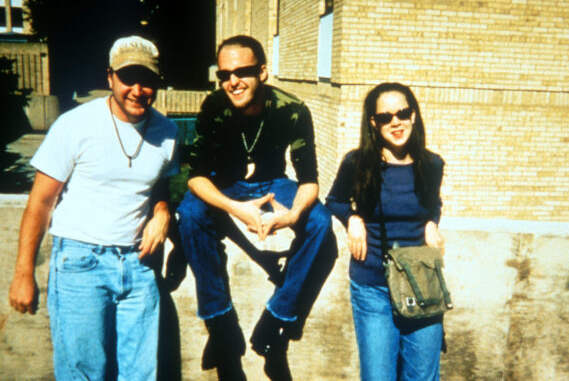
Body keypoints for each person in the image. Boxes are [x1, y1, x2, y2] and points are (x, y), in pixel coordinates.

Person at [8, 36, 179, 380]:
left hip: (139, 266)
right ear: (110, 78)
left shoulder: (168, 132)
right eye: (128, 78)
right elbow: (40, 203)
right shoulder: (75, 125)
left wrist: (161, 213)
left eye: (147, 80)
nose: (137, 89)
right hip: (80, 265)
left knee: (141, 374)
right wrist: (23, 274)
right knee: (83, 374)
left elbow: (159, 184)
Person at [177, 34, 337, 380]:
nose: (232, 81)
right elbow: (195, 178)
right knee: (189, 214)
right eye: (224, 74)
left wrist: (292, 215)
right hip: (226, 184)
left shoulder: (291, 110)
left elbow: (310, 180)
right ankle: (221, 324)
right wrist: (237, 208)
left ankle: (276, 318)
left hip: (272, 183)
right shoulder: (212, 107)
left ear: (262, 71)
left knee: (320, 223)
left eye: (243, 71)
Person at [325, 82, 446, 381]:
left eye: (403, 113)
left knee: (422, 378)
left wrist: (432, 221)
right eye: (385, 117)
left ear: (414, 116)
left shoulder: (432, 164)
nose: (396, 122)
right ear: (373, 123)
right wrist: (352, 217)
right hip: (373, 286)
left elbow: (434, 204)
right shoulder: (358, 163)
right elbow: (334, 201)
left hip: (421, 284)